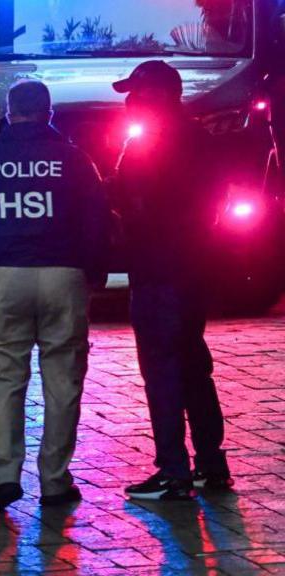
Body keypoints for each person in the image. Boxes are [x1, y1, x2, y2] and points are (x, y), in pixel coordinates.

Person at [0, 79, 109, 512]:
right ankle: (55, 481)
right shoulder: (76, 160)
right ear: (49, 112)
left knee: (3, 380)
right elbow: (98, 222)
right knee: (63, 382)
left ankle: (4, 478)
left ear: (9, 112)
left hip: (4, 276)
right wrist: (93, 274)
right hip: (64, 276)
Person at [110, 60, 232, 500]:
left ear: (156, 97)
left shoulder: (148, 146)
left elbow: (131, 203)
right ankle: (211, 464)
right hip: (196, 267)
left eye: (135, 95)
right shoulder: (202, 139)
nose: (128, 103)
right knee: (194, 364)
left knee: (161, 370)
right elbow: (220, 196)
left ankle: (173, 471)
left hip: (157, 270)